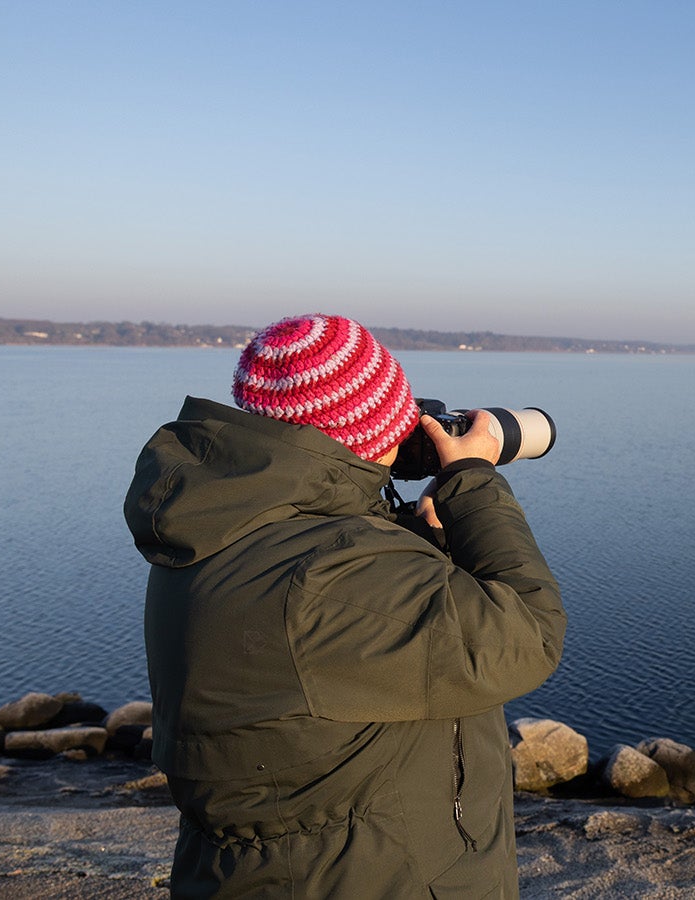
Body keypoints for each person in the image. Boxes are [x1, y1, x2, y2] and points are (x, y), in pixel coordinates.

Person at [124, 313, 566, 898]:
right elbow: (527, 635)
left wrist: (415, 535)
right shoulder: (330, 573)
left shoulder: (220, 523)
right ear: (363, 432)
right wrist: (471, 478)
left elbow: (335, 636)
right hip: (366, 878)